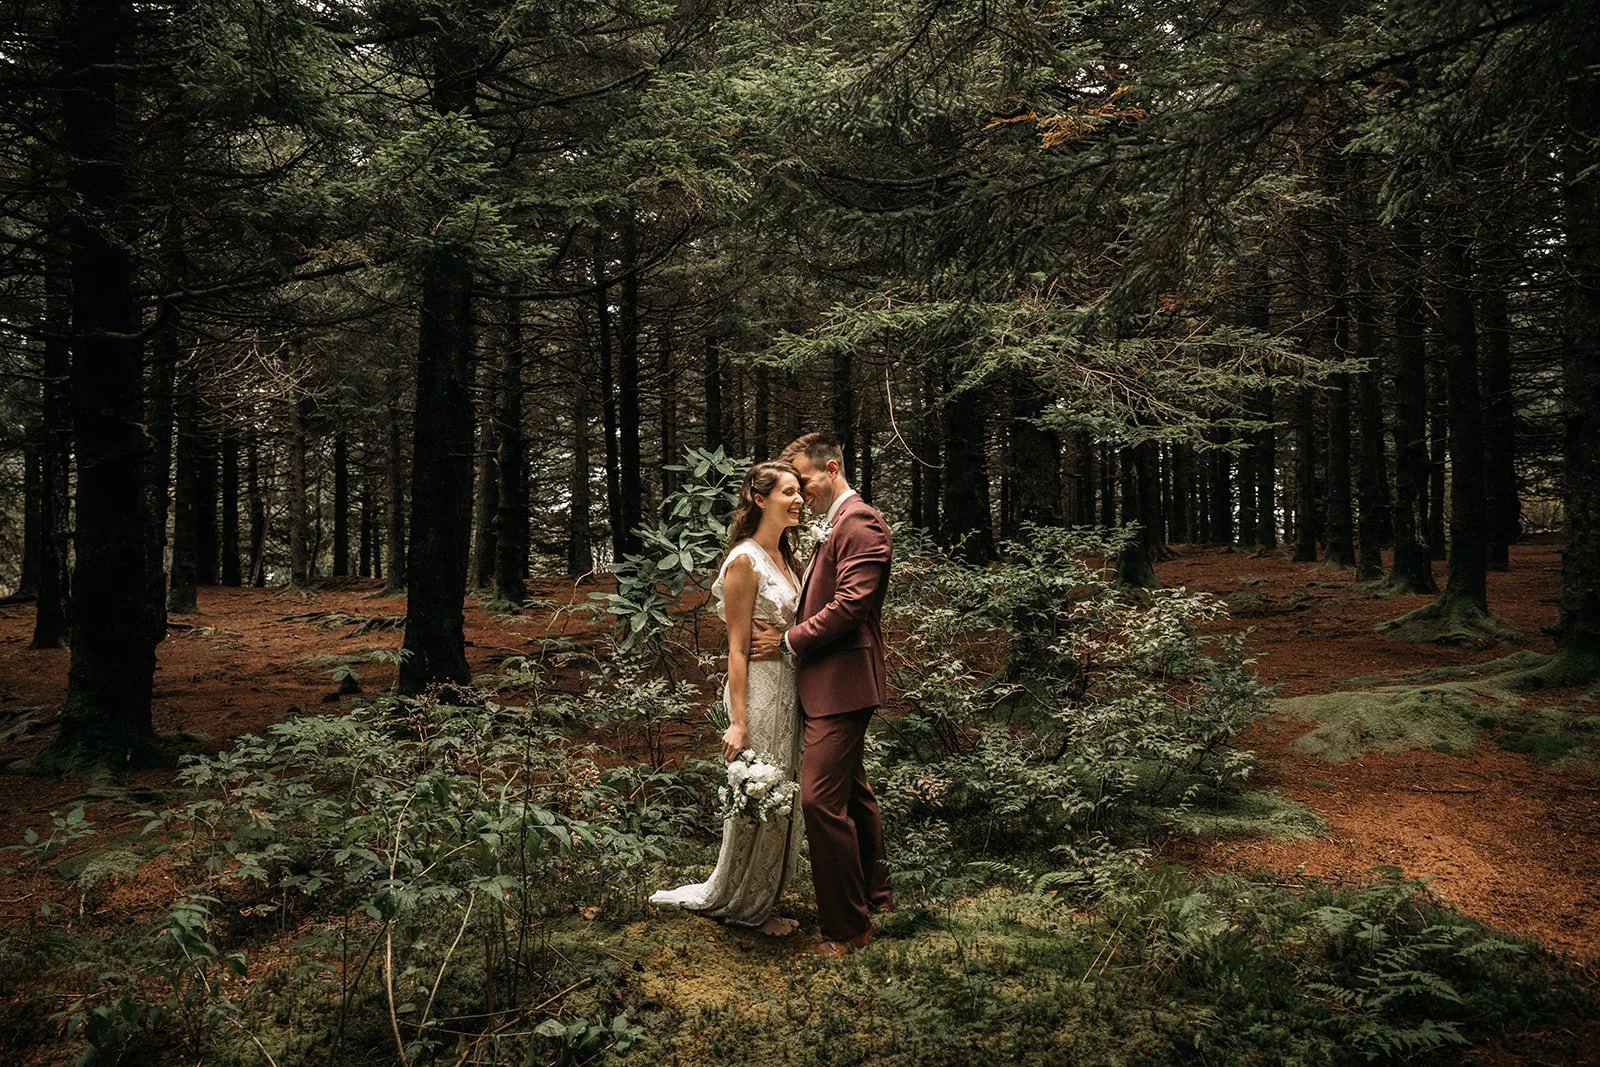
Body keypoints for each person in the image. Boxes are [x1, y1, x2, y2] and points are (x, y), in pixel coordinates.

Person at [649, 461, 805, 936]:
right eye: (789, 492)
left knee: (784, 795)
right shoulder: (744, 560)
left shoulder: (787, 556)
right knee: (762, 794)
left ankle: (762, 894)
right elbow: (735, 648)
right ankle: (745, 907)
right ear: (760, 499)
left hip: (791, 689)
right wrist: (738, 722)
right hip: (758, 690)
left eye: (800, 491)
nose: (799, 500)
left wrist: (785, 635)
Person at [752, 432, 893, 958]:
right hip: (830, 680)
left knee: (819, 800)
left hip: (843, 681)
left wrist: (788, 640)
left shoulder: (860, 522)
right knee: (853, 793)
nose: (800, 492)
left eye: (804, 480)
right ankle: (875, 896)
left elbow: (852, 605)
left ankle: (847, 928)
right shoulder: (837, 523)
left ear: (831, 469)